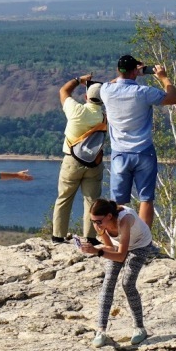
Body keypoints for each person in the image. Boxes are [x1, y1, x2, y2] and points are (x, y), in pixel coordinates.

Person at [102, 54, 176, 229]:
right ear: (134, 72)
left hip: (120, 153)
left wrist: (127, 74)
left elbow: (113, 83)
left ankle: (121, 237)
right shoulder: (144, 92)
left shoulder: (106, 90)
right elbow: (174, 98)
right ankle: (143, 239)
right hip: (143, 151)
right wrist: (163, 77)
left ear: (118, 70)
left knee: (117, 202)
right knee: (146, 199)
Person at [77, 197, 160, 348]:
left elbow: (121, 255)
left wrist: (97, 251)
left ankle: (139, 327)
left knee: (127, 283)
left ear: (109, 216)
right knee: (108, 282)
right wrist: (94, 248)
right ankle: (101, 330)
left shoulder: (125, 220)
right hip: (119, 245)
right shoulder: (101, 225)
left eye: (98, 221)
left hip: (140, 245)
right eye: (92, 221)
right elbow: (111, 247)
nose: (95, 225)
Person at [52, 74, 106, 242]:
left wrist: (78, 80)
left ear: (85, 97)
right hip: (94, 162)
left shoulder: (76, 110)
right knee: (92, 200)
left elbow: (64, 91)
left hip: (72, 161)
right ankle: (90, 237)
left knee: (64, 198)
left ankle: (58, 235)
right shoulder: (104, 117)